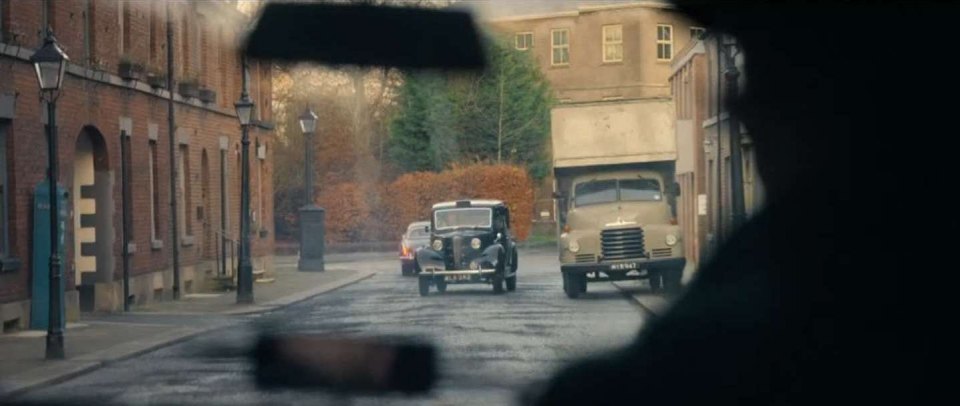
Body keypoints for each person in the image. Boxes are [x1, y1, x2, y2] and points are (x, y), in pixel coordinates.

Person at [529, 2, 943, 404]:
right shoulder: (782, 249)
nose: (742, 110)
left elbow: (688, 359)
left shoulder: (776, 262)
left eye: (764, 91)